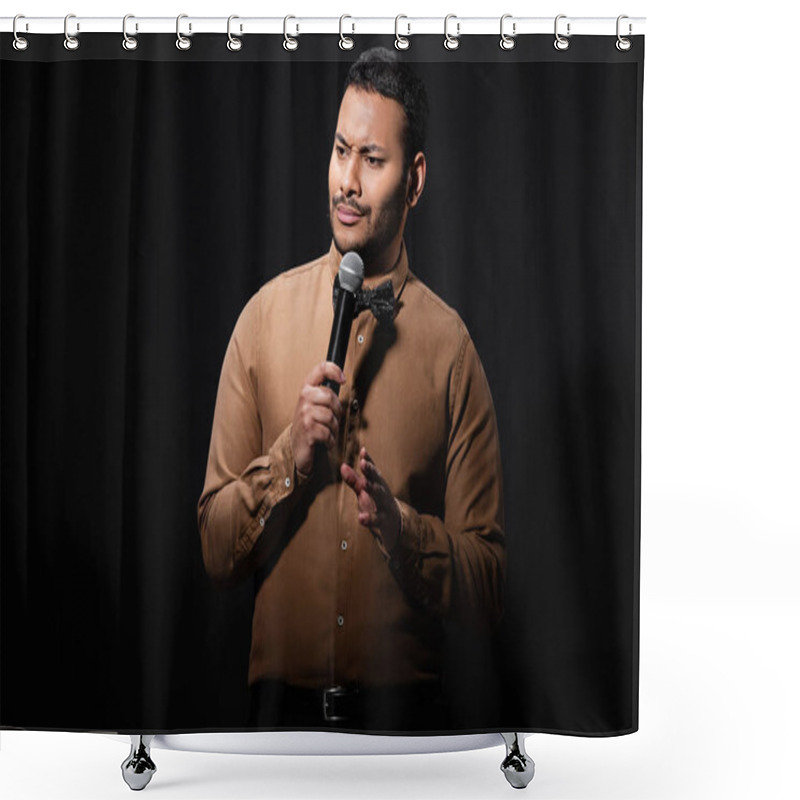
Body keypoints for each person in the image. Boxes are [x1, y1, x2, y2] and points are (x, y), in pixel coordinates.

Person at [198, 47, 505, 731]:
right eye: (341, 153)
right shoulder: (262, 319)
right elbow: (214, 552)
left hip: (409, 722)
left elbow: (488, 586)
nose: (348, 182)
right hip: (276, 719)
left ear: (415, 178)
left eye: (373, 159)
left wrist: (406, 536)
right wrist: (287, 460)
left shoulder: (451, 350)